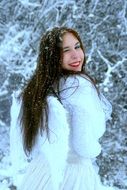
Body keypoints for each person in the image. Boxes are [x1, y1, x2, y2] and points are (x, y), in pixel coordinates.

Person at [10, 26, 115, 190]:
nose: (75, 55)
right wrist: (97, 149)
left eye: (77, 46)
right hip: (72, 176)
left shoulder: (41, 88)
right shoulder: (78, 85)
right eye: (66, 50)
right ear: (53, 57)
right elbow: (83, 146)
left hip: (41, 173)